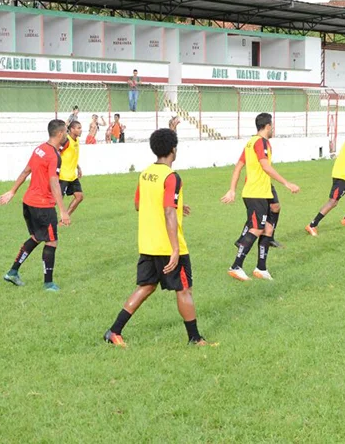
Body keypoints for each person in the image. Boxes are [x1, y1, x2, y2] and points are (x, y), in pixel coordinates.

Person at [103, 128, 211, 348]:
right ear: (174, 149)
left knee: (146, 286)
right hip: (166, 246)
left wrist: (178, 204)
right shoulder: (171, 176)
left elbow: (138, 205)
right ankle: (195, 338)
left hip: (148, 243)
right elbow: (168, 211)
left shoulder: (146, 173)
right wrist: (174, 249)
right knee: (184, 289)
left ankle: (114, 331)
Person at [223, 113, 300, 282]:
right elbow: (265, 166)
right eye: (272, 126)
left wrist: (232, 190)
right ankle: (236, 266)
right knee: (257, 229)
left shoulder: (251, 142)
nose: (273, 128)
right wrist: (286, 183)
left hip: (264, 190)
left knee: (272, 217)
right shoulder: (260, 142)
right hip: (256, 192)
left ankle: (261, 268)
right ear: (267, 126)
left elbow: (238, 167)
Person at [0, 119, 70, 291]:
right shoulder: (54, 156)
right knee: (51, 242)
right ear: (60, 133)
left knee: (37, 237)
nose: (66, 134)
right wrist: (63, 211)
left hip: (28, 202)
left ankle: (13, 272)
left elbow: (26, 171)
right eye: (66, 131)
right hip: (43, 205)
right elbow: (54, 183)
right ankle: (48, 283)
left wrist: (13, 191)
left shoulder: (39, 149)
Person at [223, 149, 285, 250]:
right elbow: (239, 166)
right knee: (256, 215)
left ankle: (269, 237)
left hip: (266, 183)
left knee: (275, 207)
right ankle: (242, 240)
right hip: (255, 186)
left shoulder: (265, 144)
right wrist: (232, 189)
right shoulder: (253, 145)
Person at [59, 121, 85, 217]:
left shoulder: (76, 140)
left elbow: (72, 156)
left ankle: (65, 218)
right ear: (72, 129)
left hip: (72, 176)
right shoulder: (66, 141)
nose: (80, 130)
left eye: (80, 127)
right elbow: (56, 153)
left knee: (79, 196)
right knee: (56, 200)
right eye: (78, 128)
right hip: (63, 176)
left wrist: (78, 167)